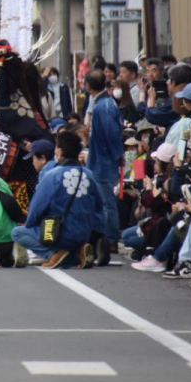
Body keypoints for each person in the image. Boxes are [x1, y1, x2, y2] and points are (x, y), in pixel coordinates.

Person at [12, 131, 105, 269]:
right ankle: (79, 251)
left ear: (60, 151)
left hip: (58, 233)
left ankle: (56, 254)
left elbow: (36, 209)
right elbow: (99, 207)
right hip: (84, 233)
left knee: (17, 233)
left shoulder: (52, 175)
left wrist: (30, 225)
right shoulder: (89, 174)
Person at [85, 69, 124, 249]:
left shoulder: (104, 105)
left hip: (104, 160)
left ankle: (111, 239)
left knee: (107, 203)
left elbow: (112, 133)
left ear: (88, 86)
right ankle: (103, 237)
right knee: (102, 201)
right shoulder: (103, 103)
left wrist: (118, 155)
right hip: (100, 159)